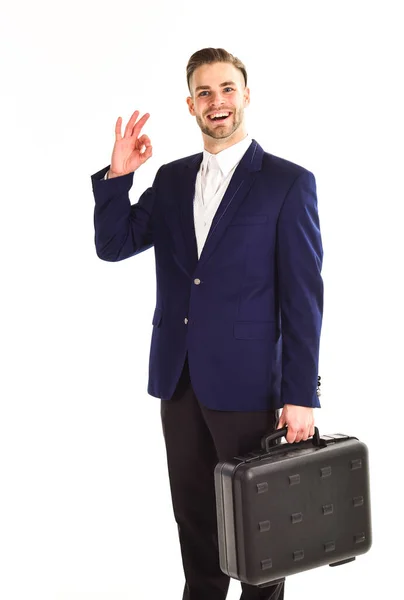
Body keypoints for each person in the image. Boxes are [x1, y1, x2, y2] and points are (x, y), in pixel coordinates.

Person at [90, 47, 323, 600]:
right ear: (190, 105)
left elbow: (304, 298)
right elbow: (114, 244)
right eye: (204, 92)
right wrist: (117, 177)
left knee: (260, 529)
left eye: (226, 89)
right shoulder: (171, 181)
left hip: (249, 385)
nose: (216, 101)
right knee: (195, 522)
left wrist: (300, 394)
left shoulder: (287, 183)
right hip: (179, 379)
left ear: (245, 95)